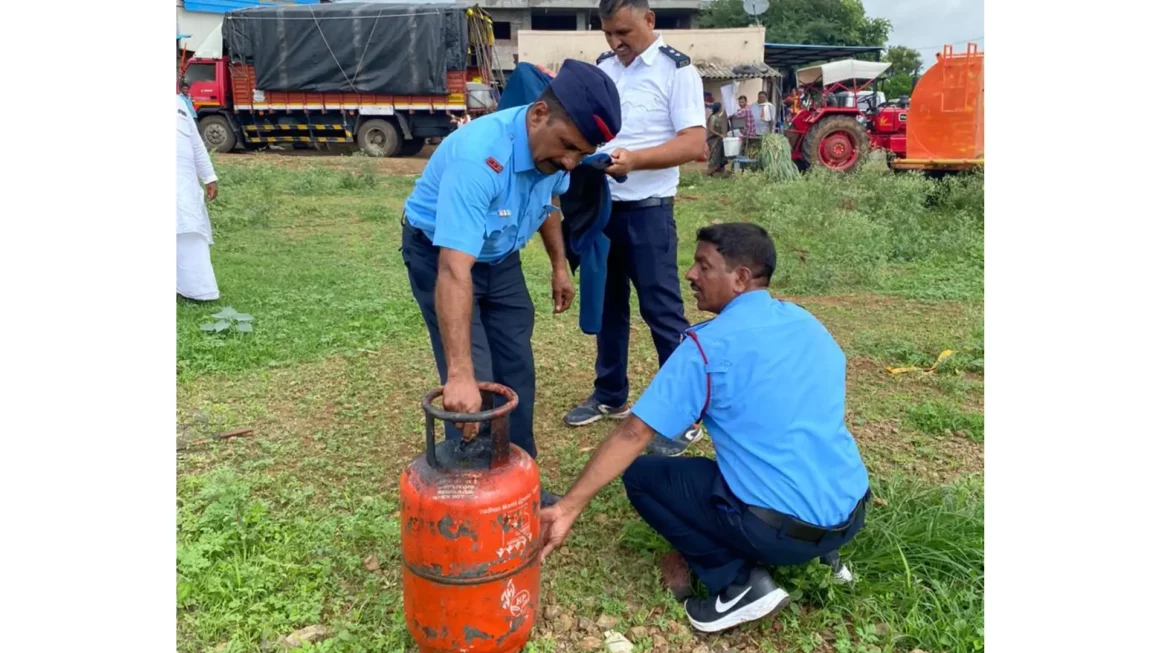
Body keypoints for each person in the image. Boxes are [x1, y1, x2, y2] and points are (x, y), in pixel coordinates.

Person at [540, 222, 871, 634]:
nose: (691, 275)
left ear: (741, 278)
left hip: (778, 533)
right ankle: (828, 556)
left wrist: (568, 506)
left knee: (643, 474)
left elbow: (633, 434)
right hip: (852, 512)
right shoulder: (806, 323)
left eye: (703, 265)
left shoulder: (707, 347)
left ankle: (737, 583)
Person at [399, 59, 622, 508]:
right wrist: (459, 374)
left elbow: (549, 202)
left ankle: (519, 489)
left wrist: (559, 264)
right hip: (441, 254)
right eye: (566, 147)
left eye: (579, 153)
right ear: (538, 114)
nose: (569, 161)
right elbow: (453, 270)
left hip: (500, 258)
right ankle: (472, 497)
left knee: (517, 370)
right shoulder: (479, 158)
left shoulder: (558, 151)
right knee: (474, 382)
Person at [563, 0, 708, 458]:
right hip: (602, 208)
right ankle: (610, 394)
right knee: (608, 308)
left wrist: (637, 160)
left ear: (650, 21)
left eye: (623, 32)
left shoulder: (677, 71)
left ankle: (683, 414)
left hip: (648, 211)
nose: (615, 43)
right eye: (607, 34)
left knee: (662, 313)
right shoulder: (606, 67)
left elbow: (694, 143)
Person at [176, 93, 221, 301]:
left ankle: (197, 290)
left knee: (189, 230)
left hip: (183, 184)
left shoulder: (179, 104)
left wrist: (209, 176)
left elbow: (196, 144)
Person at [706, 103, 727, 176]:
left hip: (719, 138)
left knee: (721, 152)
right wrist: (719, 135)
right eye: (721, 107)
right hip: (713, 139)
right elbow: (710, 129)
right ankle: (711, 169)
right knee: (715, 154)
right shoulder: (713, 117)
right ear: (719, 108)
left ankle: (719, 168)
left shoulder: (719, 117)